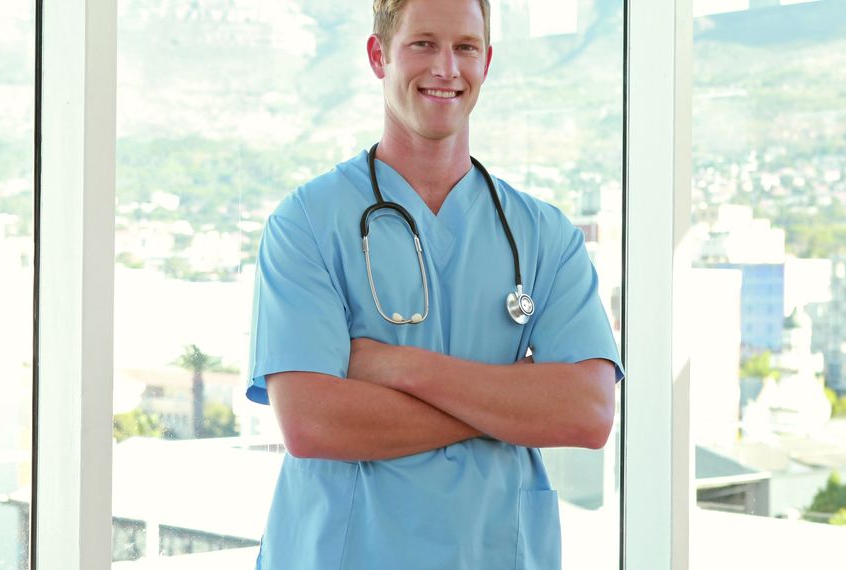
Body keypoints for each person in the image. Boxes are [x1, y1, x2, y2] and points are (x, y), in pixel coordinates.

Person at [246, 0, 624, 567]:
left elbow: (588, 414)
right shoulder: (306, 223)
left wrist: (396, 367)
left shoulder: (545, 235)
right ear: (380, 56)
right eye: (423, 43)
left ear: (487, 62)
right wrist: (510, 402)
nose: (447, 68)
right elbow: (311, 421)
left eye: (465, 48)